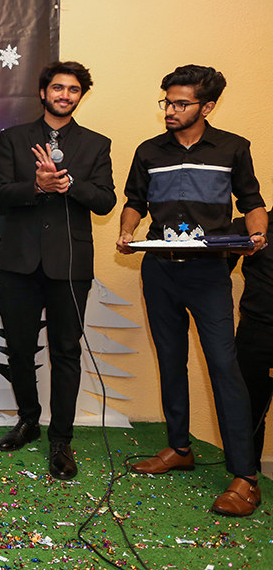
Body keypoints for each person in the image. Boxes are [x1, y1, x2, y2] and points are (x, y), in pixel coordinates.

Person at [117, 65, 266, 517]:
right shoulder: (148, 151)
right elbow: (134, 203)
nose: (171, 110)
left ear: (207, 107)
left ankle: (245, 477)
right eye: (167, 101)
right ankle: (179, 448)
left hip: (209, 274)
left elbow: (252, 203)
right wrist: (126, 232)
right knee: (170, 359)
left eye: (181, 103)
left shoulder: (233, 148)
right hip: (159, 271)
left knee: (223, 365)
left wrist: (257, 236)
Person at [0, 61, 116, 480]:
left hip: (70, 266)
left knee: (66, 352)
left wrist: (69, 184)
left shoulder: (96, 144)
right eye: (58, 87)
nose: (65, 95)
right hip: (19, 263)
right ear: (43, 92)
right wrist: (36, 187)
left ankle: (61, 439)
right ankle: (28, 420)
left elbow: (105, 201)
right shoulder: (14, 138)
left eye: (73, 89)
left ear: (81, 96)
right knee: (19, 348)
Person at [230, 209, 273, 473]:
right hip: (255, 335)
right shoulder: (249, 228)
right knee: (248, 415)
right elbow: (214, 274)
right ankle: (247, 479)